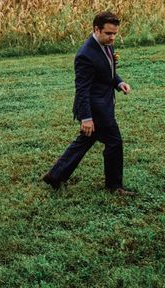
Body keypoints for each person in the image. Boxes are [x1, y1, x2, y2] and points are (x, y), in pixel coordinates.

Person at [43, 11, 135, 195]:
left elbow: (107, 70)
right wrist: (86, 118)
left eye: (115, 33)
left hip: (103, 104)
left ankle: (55, 176)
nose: (112, 37)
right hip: (96, 109)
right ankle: (115, 187)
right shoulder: (85, 55)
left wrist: (118, 82)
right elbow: (82, 89)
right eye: (109, 33)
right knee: (114, 143)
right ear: (96, 29)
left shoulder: (105, 45)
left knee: (86, 140)